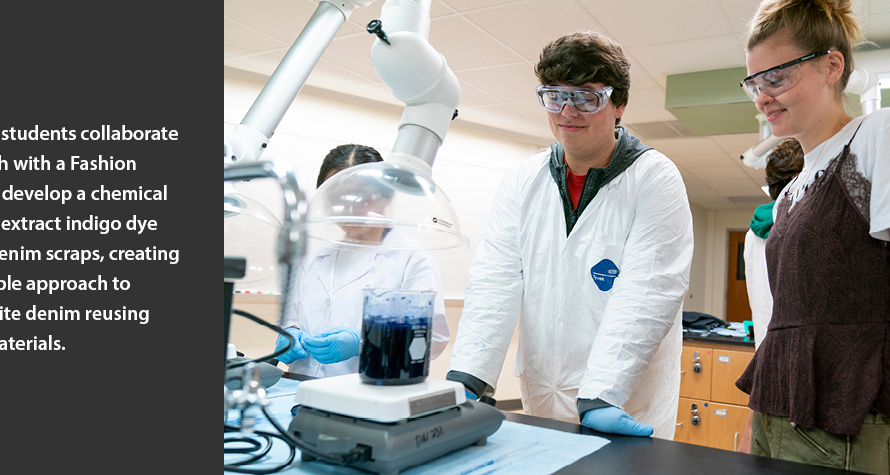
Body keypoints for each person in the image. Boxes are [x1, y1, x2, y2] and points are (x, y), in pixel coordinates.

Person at [733, 2, 890, 474]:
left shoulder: (882, 135)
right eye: (754, 83)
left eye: (776, 77)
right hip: (774, 417)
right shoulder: (791, 191)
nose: (762, 97)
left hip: (841, 424)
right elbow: (785, 322)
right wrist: (755, 420)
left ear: (832, 65)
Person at [445, 31, 693, 439]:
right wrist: (467, 377)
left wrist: (601, 395)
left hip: (623, 401)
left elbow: (649, 289)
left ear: (619, 105)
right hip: (543, 393)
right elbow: (496, 279)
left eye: (585, 97)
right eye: (554, 95)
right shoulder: (523, 180)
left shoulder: (654, 177)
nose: (566, 111)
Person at [273, 144, 451, 377]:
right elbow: (291, 319)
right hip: (300, 385)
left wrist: (363, 342)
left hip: (368, 393)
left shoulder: (412, 259)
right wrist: (288, 335)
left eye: (360, 195)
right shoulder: (316, 259)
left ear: (386, 195)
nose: (347, 207)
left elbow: (432, 339)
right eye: (336, 197)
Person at [745, 137, 804, 350]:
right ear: (797, 178)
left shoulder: (752, 235)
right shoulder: (803, 227)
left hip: (766, 349)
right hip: (797, 352)